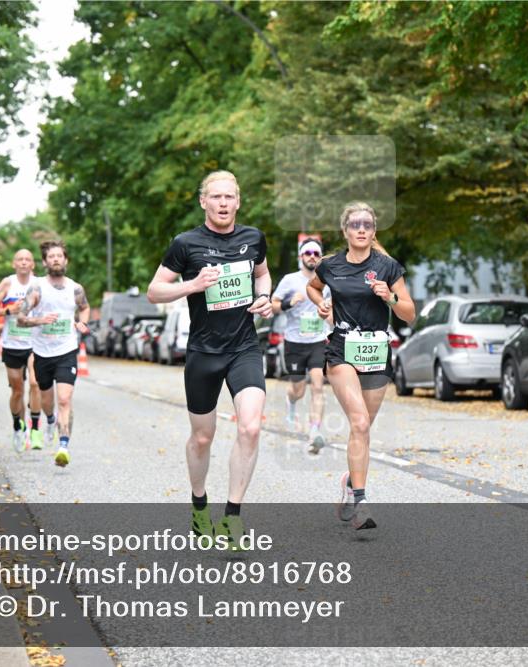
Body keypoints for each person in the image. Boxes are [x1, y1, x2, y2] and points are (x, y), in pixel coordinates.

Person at [147, 170, 272, 548]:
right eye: (216, 196)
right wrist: (193, 285)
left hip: (244, 348)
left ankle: (232, 517)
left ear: (238, 202)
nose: (223, 203)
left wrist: (264, 297)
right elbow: (155, 291)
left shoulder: (253, 238)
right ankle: (199, 504)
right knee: (202, 437)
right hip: (203, 352)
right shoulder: (185, 244)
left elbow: (263, 275)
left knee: (250, 427)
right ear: (204, 202)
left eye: (229, 197)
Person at [306, 202, 415, 530]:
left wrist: (390, 298)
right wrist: (322, 304)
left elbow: (410, 314)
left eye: (367, 224)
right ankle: (361, 503)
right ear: (345, 231)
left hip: (377, 352)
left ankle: (350, 482)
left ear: (374, 230)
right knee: (360, 422)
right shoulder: (331, 266)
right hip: (341, 350)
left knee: (363, 427)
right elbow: (312, 287)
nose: (362, 229)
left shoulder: (388, 267)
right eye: (355, 224)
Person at [16, 240, 90, 467]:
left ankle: (63, 446)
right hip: (42, 353)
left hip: (67, 351)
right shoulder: (37, 288)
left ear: (66, 260)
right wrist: (40, 320)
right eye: (51, 256)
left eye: (59, 256)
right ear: (45, 262)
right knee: (47, 401)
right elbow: (20, 318)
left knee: (65, 399)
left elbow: (85, 307)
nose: (56, 259)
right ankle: (49, 420)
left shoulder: (75, 288)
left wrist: (82, 323)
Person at [272, 238, 332, 453]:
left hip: (318, 341)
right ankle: (291, 400)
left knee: (317, 385)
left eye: (316, 253)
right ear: (301, 256)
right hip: (294, 342)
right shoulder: (290, 280)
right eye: (308, 253)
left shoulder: (327, 281)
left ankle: (314, 431)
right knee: (298, 389)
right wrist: (289, 302)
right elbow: (273, 305)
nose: (312, 257)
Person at [0, 249, 43, 453]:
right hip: (12, 345)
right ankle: (18, 427)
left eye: (28, 259)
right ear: (14, 264)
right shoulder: (8, 283)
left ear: (33, 264)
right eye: (20, 259)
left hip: (35, 344)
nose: (24, 262)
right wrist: (9, 310)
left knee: (35, 384)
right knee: (17, 391)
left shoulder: (40, 284)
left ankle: (35, 429)